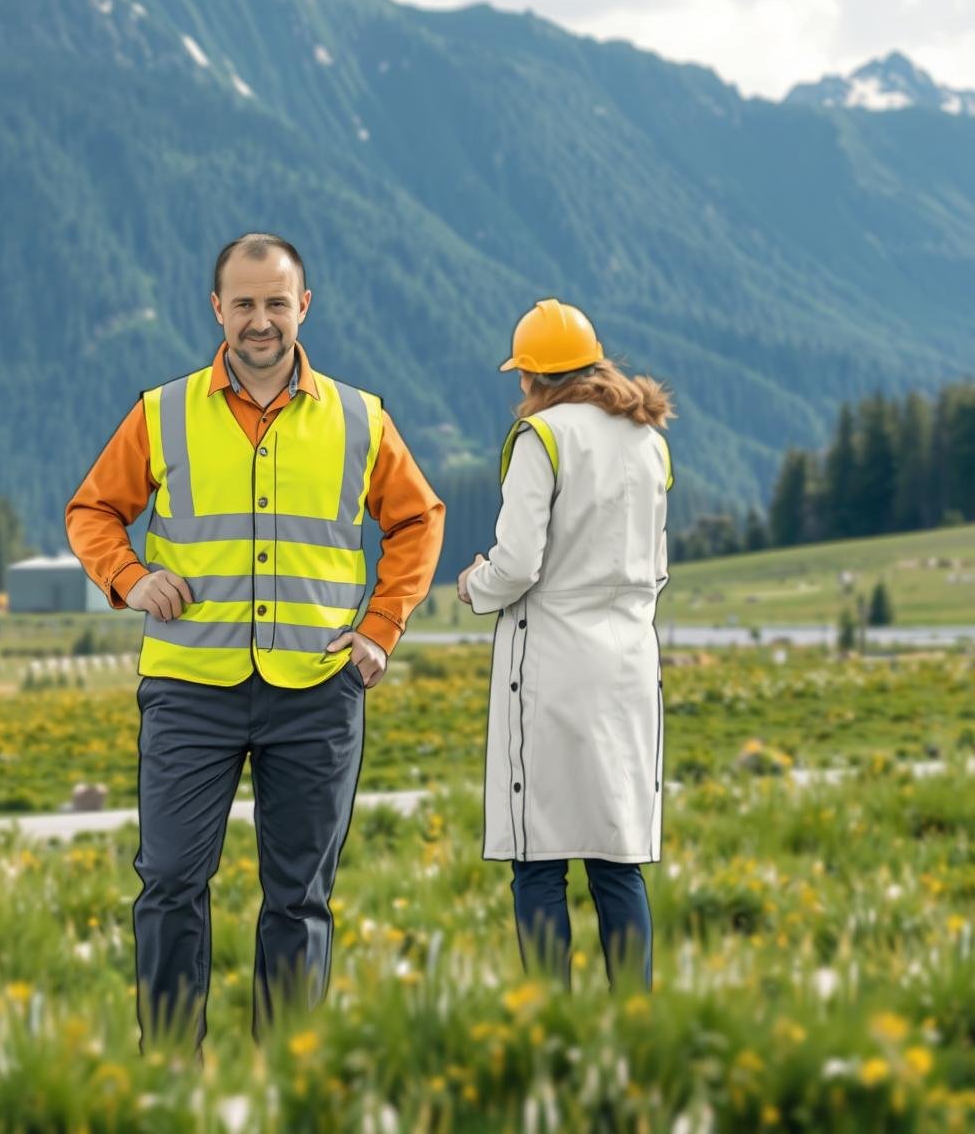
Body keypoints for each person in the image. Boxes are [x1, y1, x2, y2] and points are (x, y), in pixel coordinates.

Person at [66, 232, 444, 1057]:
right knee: (169, 882)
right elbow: (91, 511)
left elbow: (419, 520)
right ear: (217, 309)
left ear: (303, 306)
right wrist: (129, 578)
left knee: (299, 898)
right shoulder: (163, 412)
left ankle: (285, 1080)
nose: (261, 320)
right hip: (189, 689)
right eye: (244, 304)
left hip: (317, 689)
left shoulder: (360, 417)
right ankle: (171, 1072)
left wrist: (381, 628)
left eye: (276, 302)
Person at [456, 298, 673, 993]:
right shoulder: (647, 440)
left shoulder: (541, 438)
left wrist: (474, 585)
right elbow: (656, 567)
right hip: (629, 664)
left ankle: (551, 1019)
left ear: (534, 376)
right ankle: (635, 1020)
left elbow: (518, 563)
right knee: (617, 858)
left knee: (538, 857)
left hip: (551, 668)